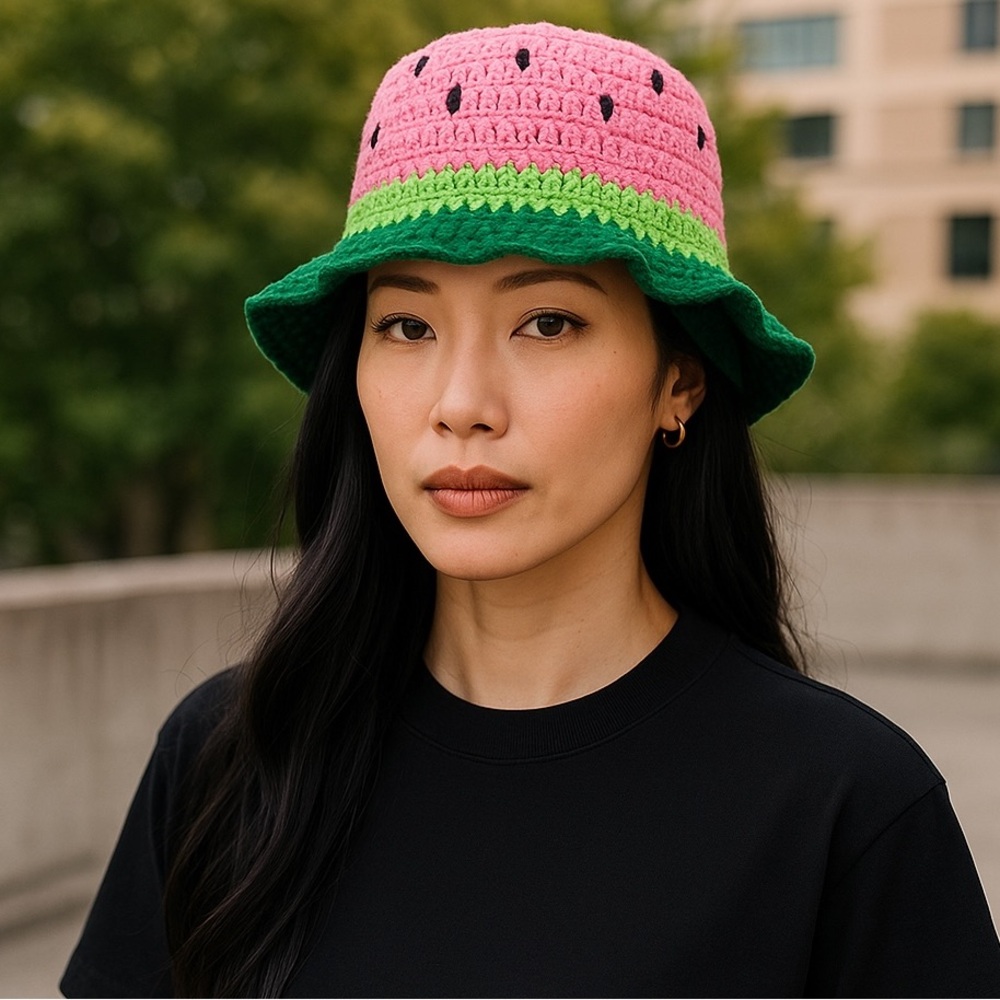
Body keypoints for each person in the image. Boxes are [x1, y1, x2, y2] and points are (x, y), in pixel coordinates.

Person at [61, 22, 1000, 999]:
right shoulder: (230, 758)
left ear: (678, 379)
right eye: (407, 324)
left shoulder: (845, 805)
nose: (461, 401)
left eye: (547, 321)